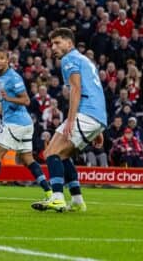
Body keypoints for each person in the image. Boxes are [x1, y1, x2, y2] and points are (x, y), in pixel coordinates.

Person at [32, 28, 107, 212]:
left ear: (69, 43)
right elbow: (94, 90)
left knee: (51, 153)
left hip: (86, 113)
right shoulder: (85, 60)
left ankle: (57, 198)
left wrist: (71, 120)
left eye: (57, 43)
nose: (53, 47)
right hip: (96, 115)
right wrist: (99, 128)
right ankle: (77, 200)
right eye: (51, 44)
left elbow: (76, 89)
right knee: (63, 155)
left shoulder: (69, 59)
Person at [0, 50, 51, 201]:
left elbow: (26, 100)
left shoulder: (14, 77)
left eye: (1, 58)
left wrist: (8, 98)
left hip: (15, 123)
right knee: (27, 159)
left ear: (8, 60)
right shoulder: (3, 77)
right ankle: (49, 192)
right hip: (24, 124)